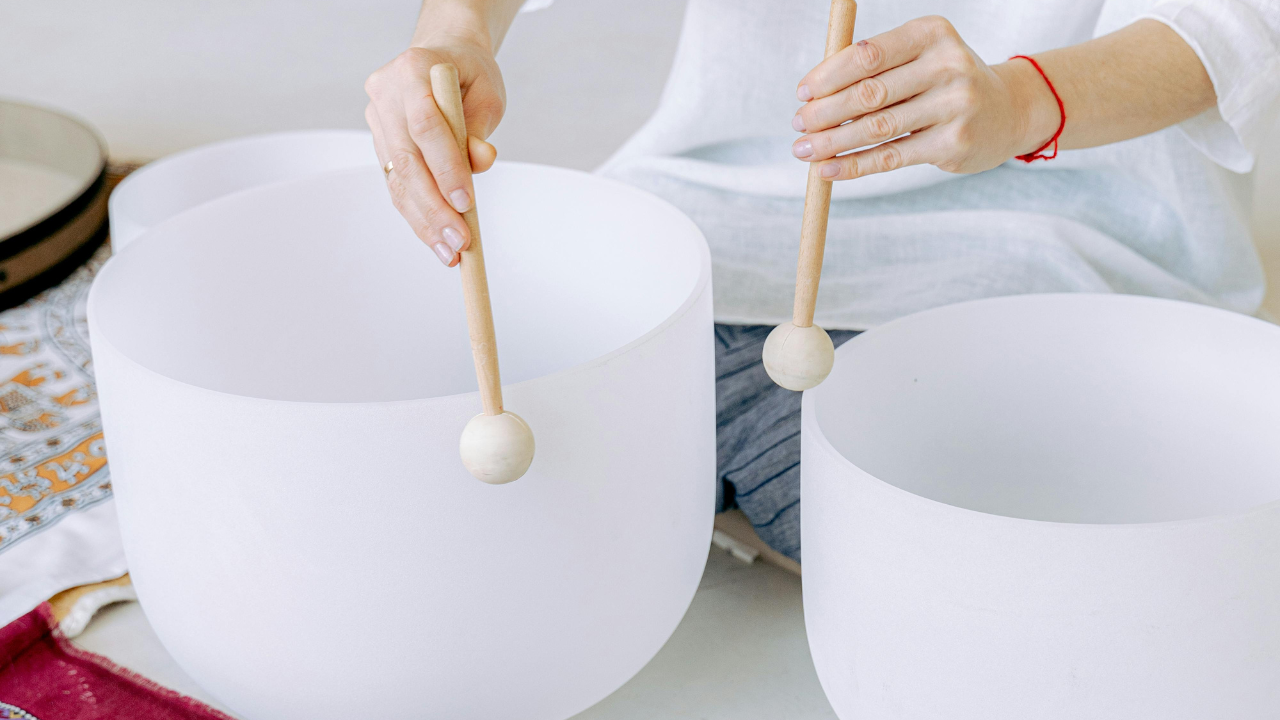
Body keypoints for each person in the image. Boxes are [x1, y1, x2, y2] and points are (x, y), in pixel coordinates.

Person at [365, 0, 1280, 561]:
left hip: (1047, 231)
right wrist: (453, 35)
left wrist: (1023, 100)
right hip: (720, 212)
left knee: (940, 522)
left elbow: (1235, 23)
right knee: (463, 449)